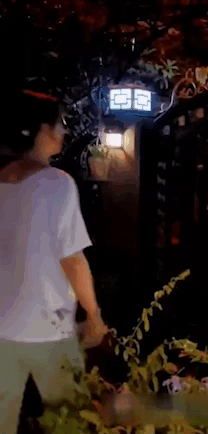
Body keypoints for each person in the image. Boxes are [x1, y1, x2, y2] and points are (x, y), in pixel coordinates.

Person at [0, 89, 109, 434]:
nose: (64, 130)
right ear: (42, 130)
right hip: (49, 327)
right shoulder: (56, 184)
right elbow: (72, 259)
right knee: (69, 421)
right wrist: (94, 315)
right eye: (60, 123)